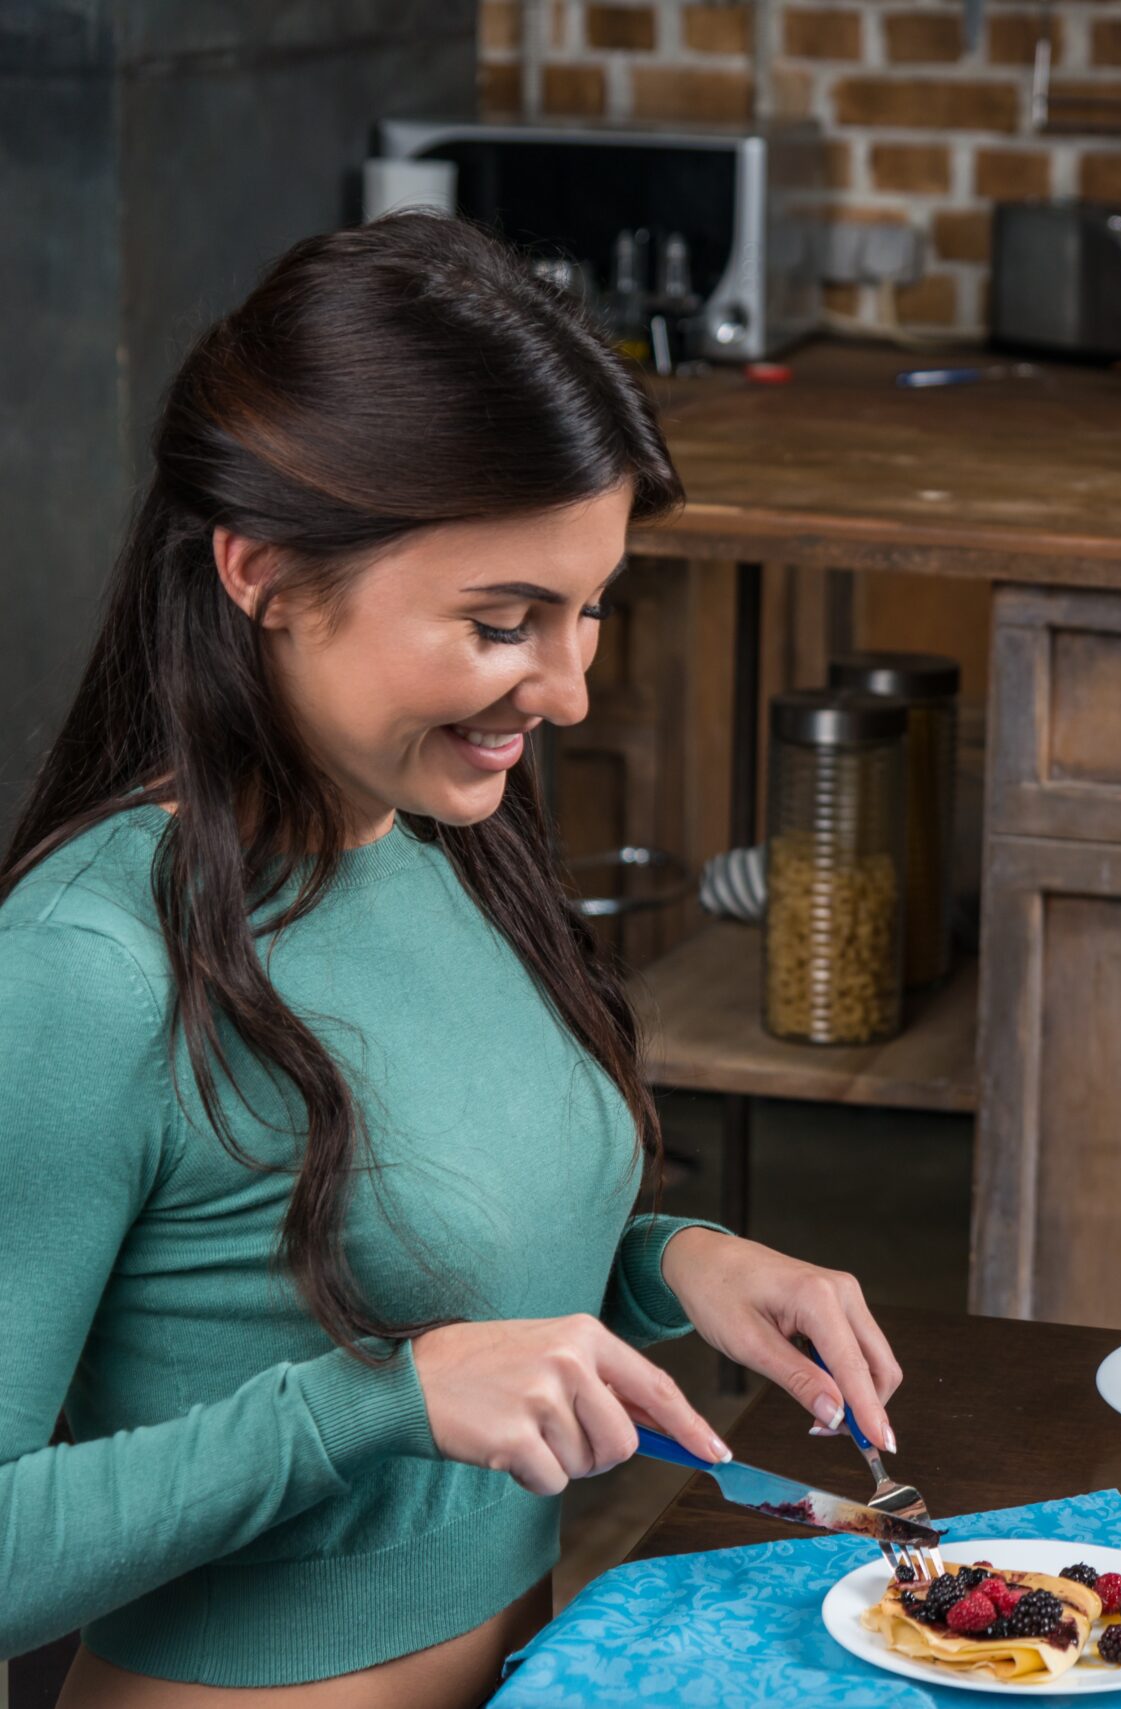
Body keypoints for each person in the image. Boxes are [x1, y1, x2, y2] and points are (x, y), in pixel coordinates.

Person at [0, 214, 903, 1705]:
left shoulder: (440, 840)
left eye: (592, 607)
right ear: (266, 574)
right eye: (503, 623)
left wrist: (680, 1264)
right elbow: (394, 1373)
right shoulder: (81, 971)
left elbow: (429, 1275)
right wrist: (379, 1405)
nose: (566, 687)